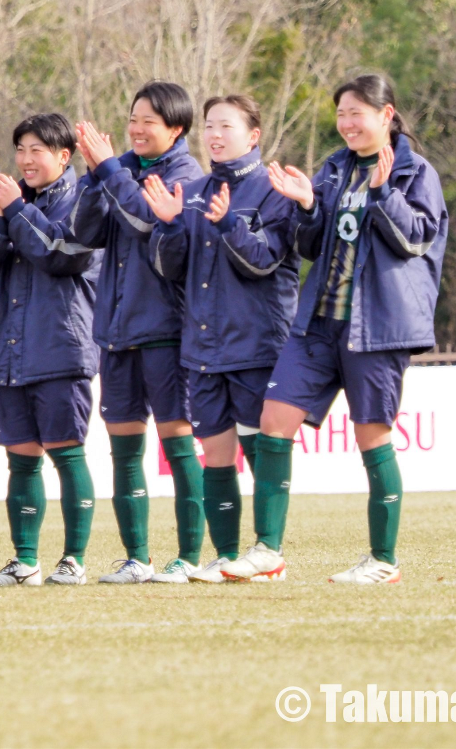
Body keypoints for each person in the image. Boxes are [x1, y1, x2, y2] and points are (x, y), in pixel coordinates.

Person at [222, 74, 447, 584]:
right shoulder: (334, 168)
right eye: (341, 114)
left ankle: (383, 560)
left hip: (378, 327)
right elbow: (309, 245)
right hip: (318, 323)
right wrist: (306, 205)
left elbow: (415, 240)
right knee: (273, 419)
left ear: (386, 114)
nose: (347, 124)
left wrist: (384, 191)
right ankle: (267, 551)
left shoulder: (415, 170)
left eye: (357, 113)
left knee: (373, 437)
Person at [142, 95, 300, 582]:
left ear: (252, 135)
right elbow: (168, 270)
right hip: (203, 348)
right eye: (209, 126)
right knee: (216, 453)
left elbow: (264, 261)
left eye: (225, 126)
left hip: (256, 342)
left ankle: (267, 551)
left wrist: (229, 221)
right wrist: (168, 225)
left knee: (261, 445)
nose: (214, 135)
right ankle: (228, 555)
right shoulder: (190, 190)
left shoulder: (273, 189)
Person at [59, 82, 204, 584]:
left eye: (149, 121)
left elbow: (147, 222)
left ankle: (188, 557)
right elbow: (81, 235)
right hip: (116, 332)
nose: (137, 129)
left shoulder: (187, 175)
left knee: (178, 446)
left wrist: (108, 170)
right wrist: (93, 177)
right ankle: (136, 557)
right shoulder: (117, 168)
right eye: (133, 118)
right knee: (124, 450)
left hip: (165, 331)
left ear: (176, 129)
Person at [0, 113, 101, 586]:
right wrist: (6, 215)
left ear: (64, 157)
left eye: (36, 150)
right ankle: (25, 560)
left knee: (66, 453)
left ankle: (74, 559)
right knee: (20, 457)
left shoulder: (85, 199)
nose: (25, 159)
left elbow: (61, 254)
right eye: (20, 149)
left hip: (61, 346)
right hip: (9, 350)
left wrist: (15, 211)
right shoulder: (11, 203)